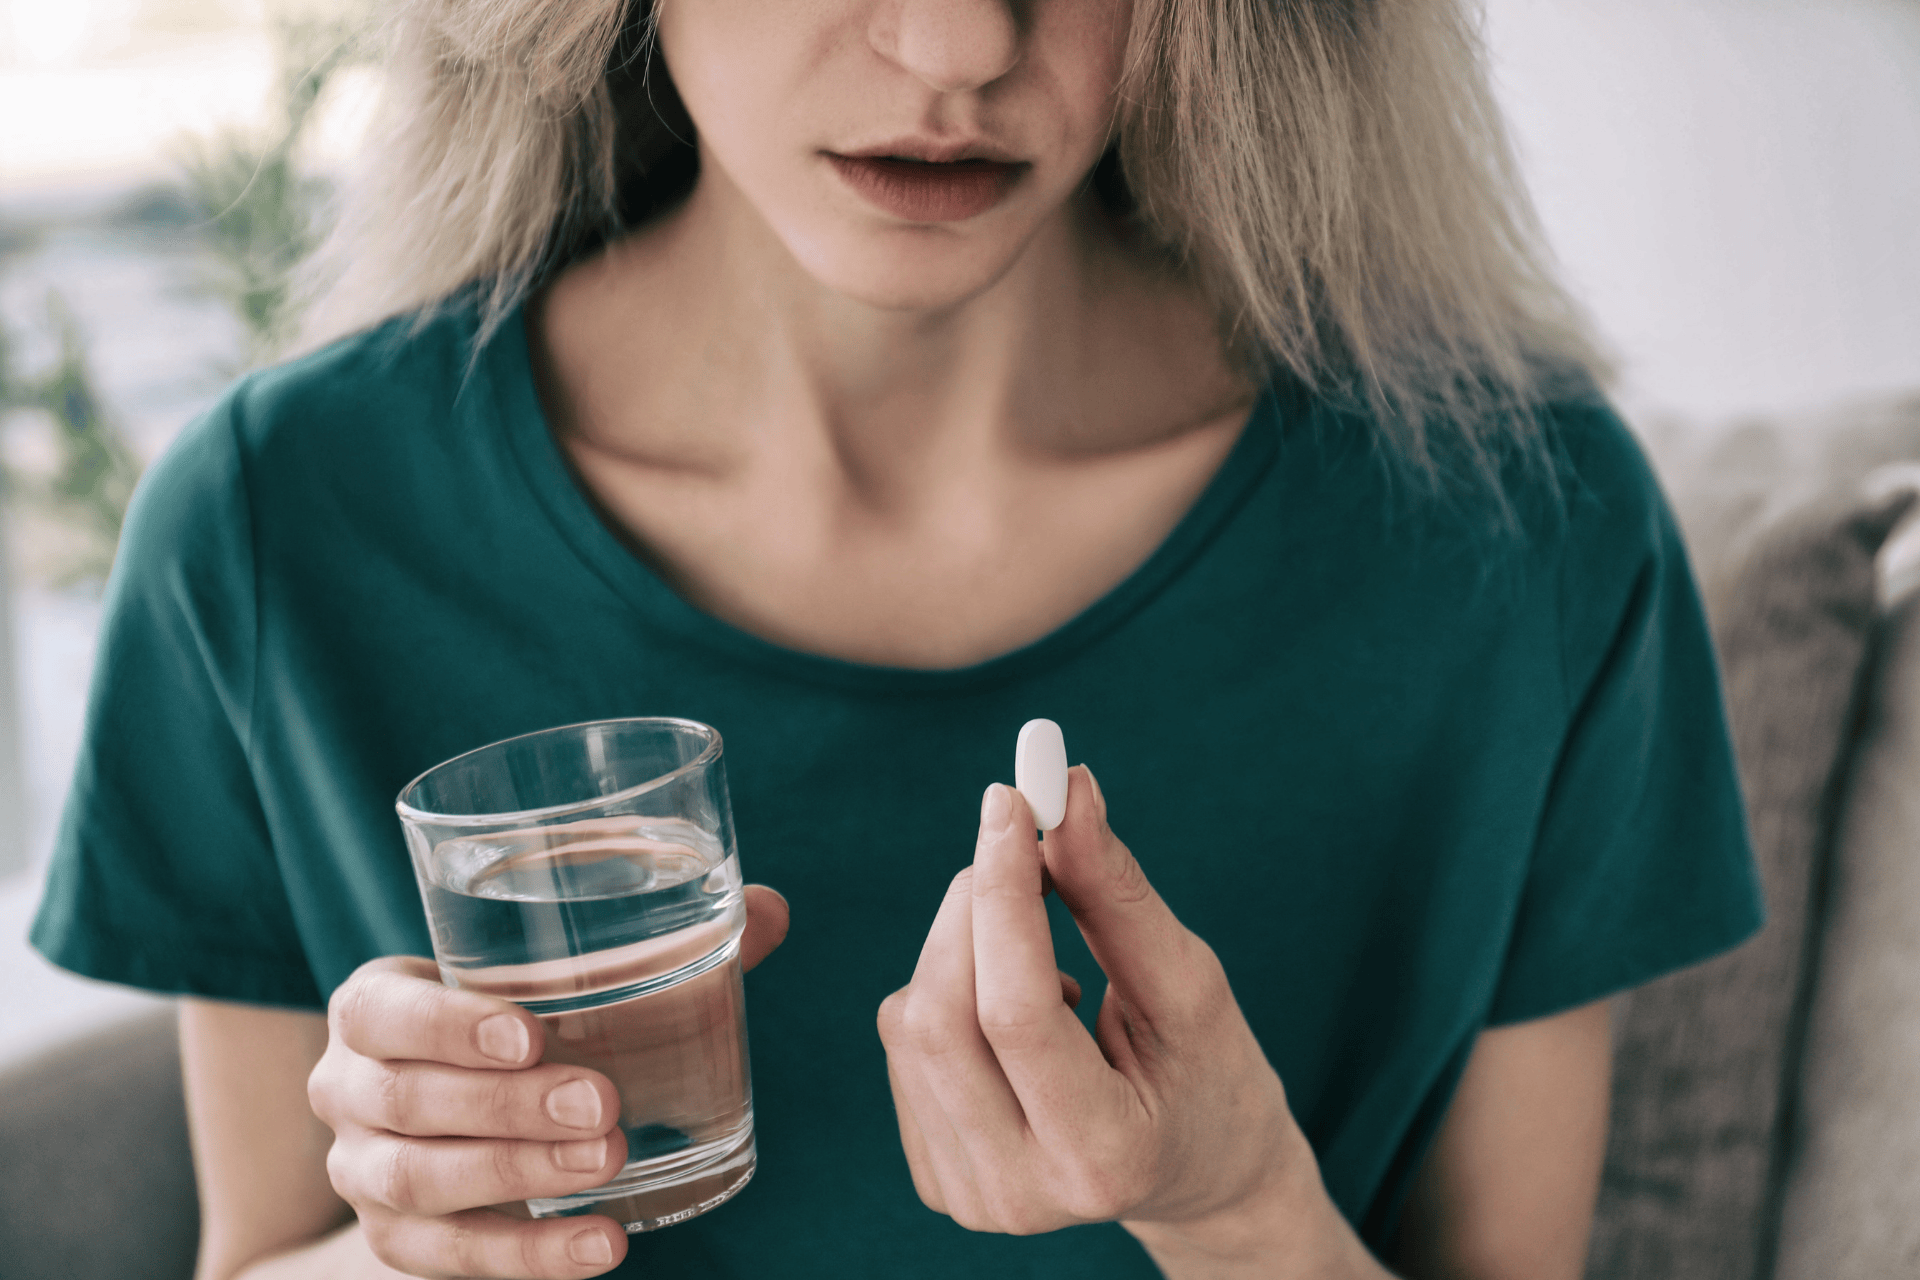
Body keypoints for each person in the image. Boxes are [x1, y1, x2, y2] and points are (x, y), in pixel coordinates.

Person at [32, 0, 1763, 1275]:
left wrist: (1240, 1208)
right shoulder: (280, 528)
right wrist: (422, 1240)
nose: (953, 43)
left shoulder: (1515, 524)